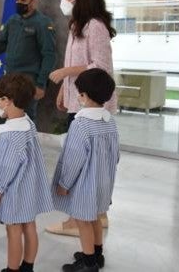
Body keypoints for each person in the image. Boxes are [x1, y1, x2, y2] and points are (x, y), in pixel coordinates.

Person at [46, 0, 117, 237]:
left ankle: (78, 220)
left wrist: (66, 73)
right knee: (90, 163)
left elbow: (101, 68)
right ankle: (98, 214)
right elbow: (77, 61)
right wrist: (65, 91)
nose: (63, 0)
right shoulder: (79, 24)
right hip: (79, 100)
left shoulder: (95, 26)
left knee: (83, 164)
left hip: (92, 104)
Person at [52, 68, 119, 272]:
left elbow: (73, 159)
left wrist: (64, 183)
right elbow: (116, 155)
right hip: (104, 183)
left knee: (83, 221)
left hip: (84, 186)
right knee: (96, 217)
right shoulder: (109, 121)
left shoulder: (81, 124)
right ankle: (97, 255)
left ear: (83, 95)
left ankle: (89, 263)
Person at [0, 73, 53, 272]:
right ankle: (28, 267)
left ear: (7, 101)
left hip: (13, 192)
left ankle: (12, 269)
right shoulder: (28, 123)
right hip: (29, 188)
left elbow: (7, 168)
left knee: (13, 230)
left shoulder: (11, 135)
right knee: (29, 226)